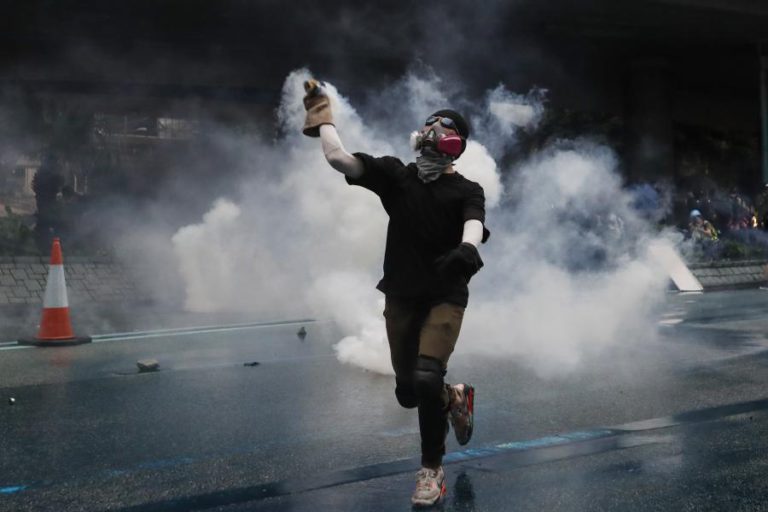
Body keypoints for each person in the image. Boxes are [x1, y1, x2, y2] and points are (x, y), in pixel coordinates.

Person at [302, 79, 489, 507]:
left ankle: (431, 471)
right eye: (430, 125)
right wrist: (321, 115)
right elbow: (338, 159)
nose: (432, 132)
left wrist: (467, 247)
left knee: (426, 377)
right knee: (409, 392)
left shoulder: (466, 190)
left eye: (443, 128)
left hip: (445, 294)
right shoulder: (396, 176)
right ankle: (455, 398)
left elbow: (474, 223)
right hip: (401, 295)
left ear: (454, 145)